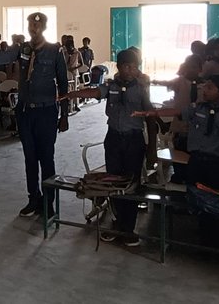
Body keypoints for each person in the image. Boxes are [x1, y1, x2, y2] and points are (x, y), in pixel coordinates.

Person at [59, 48, 151, 246]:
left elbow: (150, 116)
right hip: (114, 139)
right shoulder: (111, 86)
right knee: (113, 182)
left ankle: (129, 228)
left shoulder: (141, 88)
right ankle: (117, 223)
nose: (130, 70)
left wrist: (151, 148)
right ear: (118, 67)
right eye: (126, 66)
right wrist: (72, 93)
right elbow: (95, 92)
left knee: (132, 184)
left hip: (134, 140)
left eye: (134, 67)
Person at [0, 12, 71, 219]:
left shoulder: (54, 50)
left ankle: (48, 203)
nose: (34, 28)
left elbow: (63, 84)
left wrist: (64, 115)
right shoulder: (22, 49)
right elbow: (0, 58)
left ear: (45, 27)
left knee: (47, 158)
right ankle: (33, 198)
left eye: (38, 25)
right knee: (30, 158)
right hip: (25, 111)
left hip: (46, 111)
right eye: (31, 25)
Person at [155, 74, 219, 248]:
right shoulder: (197, 109)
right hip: (196, 162)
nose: (204, 90)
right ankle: (202, 236)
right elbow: (180, 115)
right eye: (204, 86)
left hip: (216, 164)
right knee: (198, 198)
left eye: (210, 87)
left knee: (216, 199)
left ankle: (215, 242)